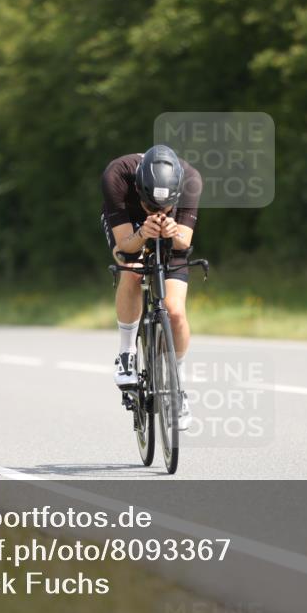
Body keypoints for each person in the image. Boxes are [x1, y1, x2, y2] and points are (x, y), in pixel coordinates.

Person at [101, 145, 202, 430]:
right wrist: (143, 231)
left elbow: (184, 244)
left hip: (174, 233)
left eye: (164, 208)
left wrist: (174, 233)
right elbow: (124, 247)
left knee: (175, 312)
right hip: (129, 227)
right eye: (151, 207)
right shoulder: (117, 177)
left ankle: (177, 384)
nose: (157, 213)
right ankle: (126, 353)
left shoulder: (191, 181)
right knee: (131, 271)